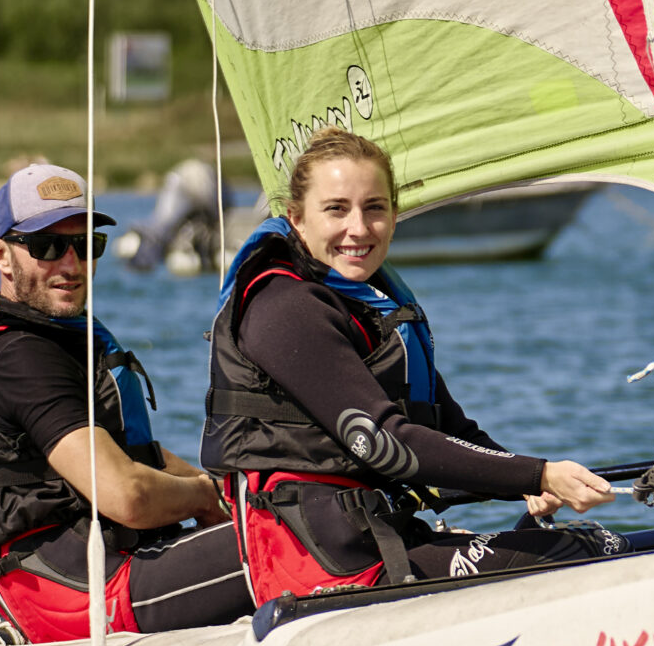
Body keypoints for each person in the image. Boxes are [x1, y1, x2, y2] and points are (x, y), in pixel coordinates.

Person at [204, 128, 619, 600]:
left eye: (374, 208)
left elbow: (449, 426)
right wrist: (537, 473)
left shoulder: (367, 304)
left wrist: (526, 484)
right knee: (594, 546)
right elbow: (384, 443)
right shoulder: (284, 310)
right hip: (317, 565)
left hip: (377, 534)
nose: (358, 228)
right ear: (296, 218)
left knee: (567, 541)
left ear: (396, 216)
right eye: (336, 209)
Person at [0, 163, 252, 642]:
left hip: (105, 563)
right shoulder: (14, 355)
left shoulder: (54, 336)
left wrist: (230, 491)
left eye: (86, 244)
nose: (71, 263)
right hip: (75, 594)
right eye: (46, 246)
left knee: (290, 514)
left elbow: (128, 455)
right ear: (0, 254)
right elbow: (127, 494)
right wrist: (204, 498)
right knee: (293, 541)